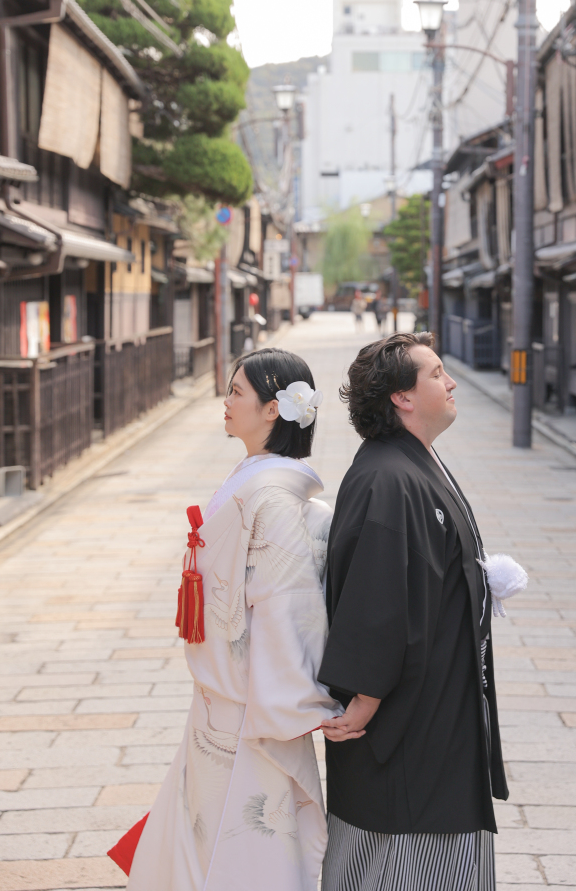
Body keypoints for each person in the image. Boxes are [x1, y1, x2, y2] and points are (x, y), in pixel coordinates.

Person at [125, 348, 342, 891]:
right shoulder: (256, 478)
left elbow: (286, 605)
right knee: (208, 832)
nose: (225, 401)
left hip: (250, 707)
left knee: (241, 842)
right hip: (224, 698)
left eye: (236, 391)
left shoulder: (270, 495)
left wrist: (290, 706)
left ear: (274, 410)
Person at [317, 332, 527, 891]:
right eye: (436, 373)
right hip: (406, 727)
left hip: (439, 711)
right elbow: (377, 598)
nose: (451, 382)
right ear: (402, 397)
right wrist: (363, 699)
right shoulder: (390, 478)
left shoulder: (411, 465)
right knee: (398, 862)